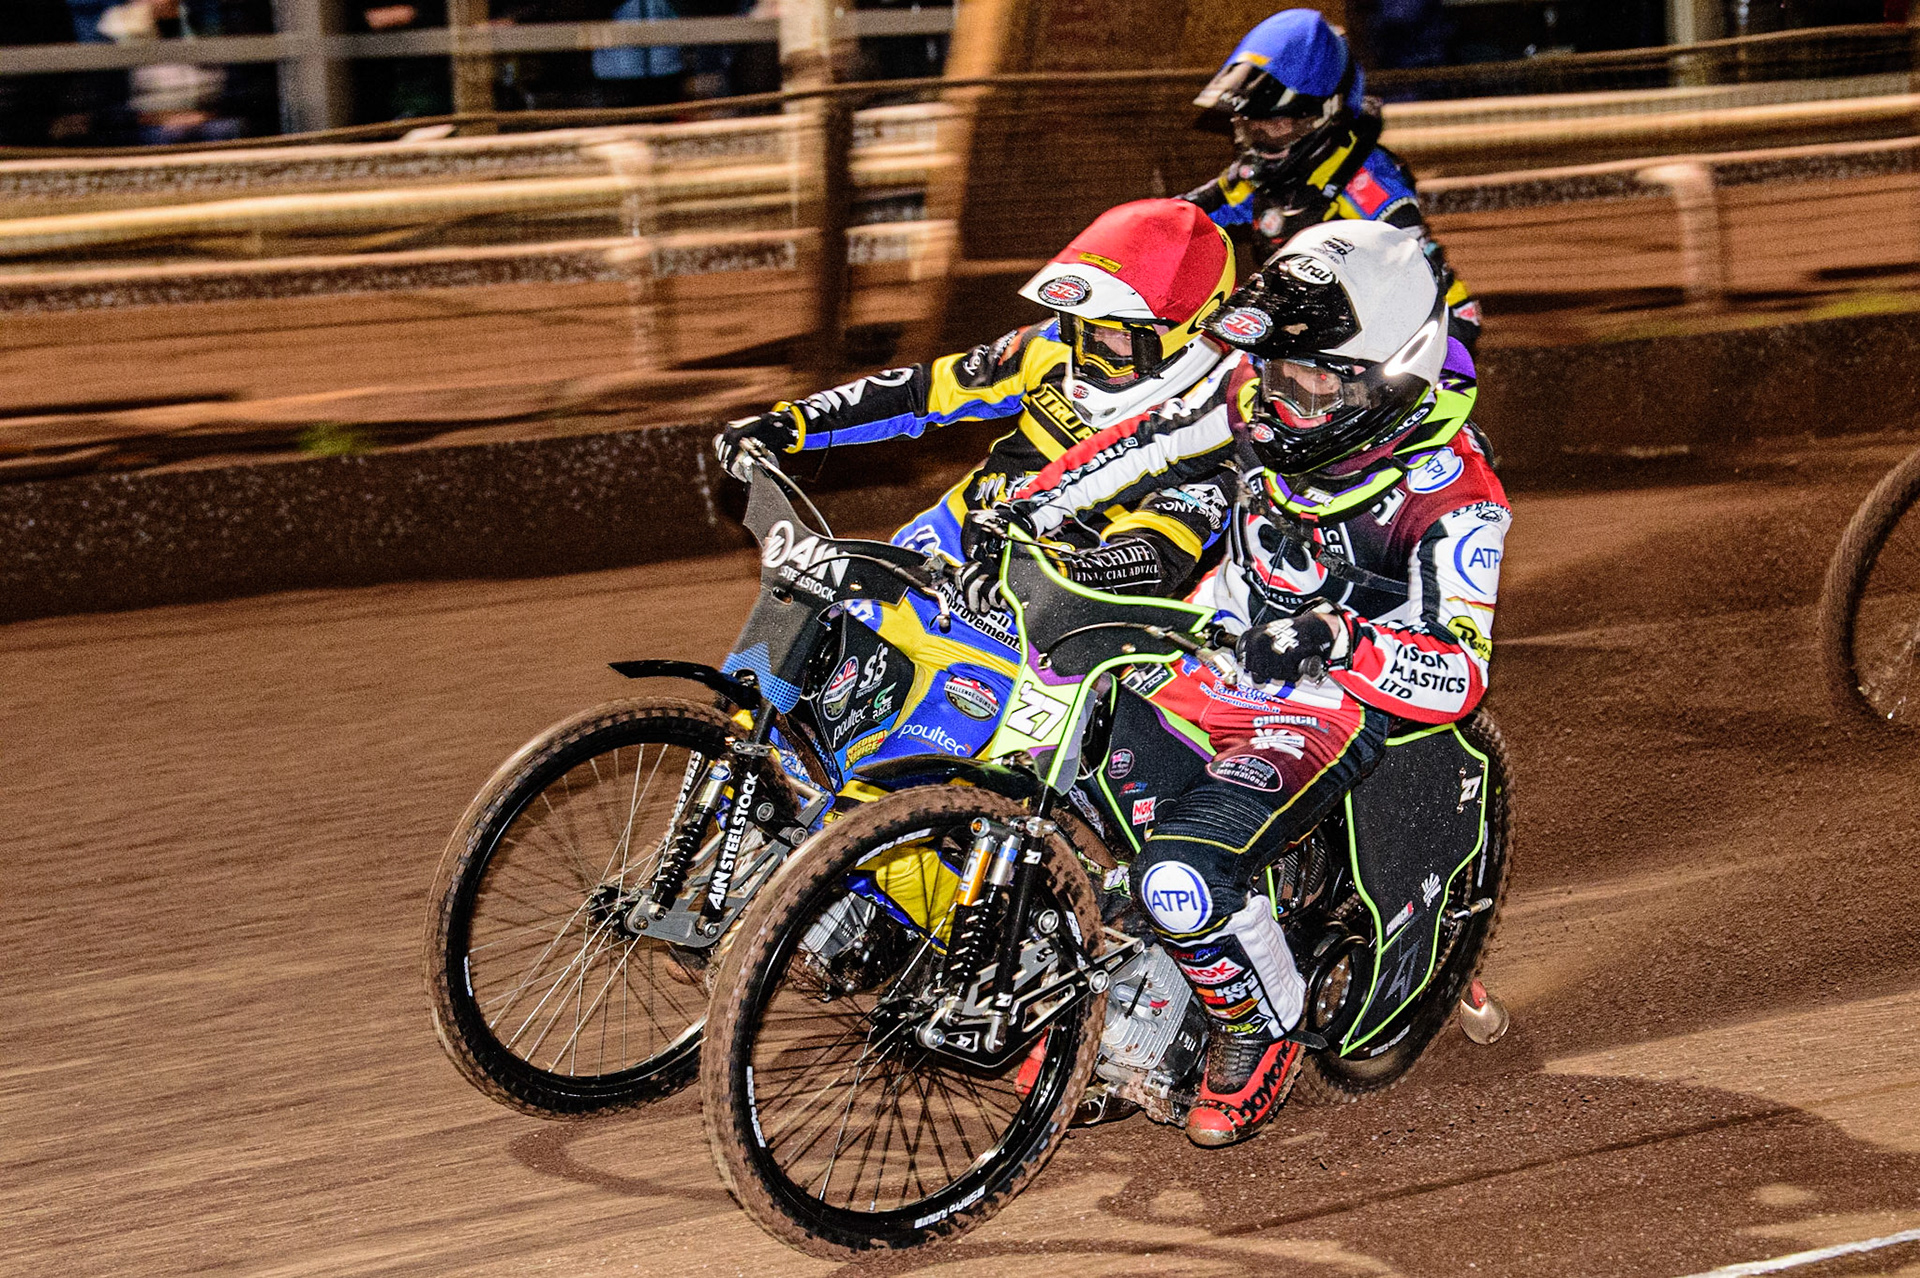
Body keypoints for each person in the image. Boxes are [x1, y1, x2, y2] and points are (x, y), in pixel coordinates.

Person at [994, 219, 1510, 1146]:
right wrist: (1020, 508)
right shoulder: (1252, 397)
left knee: (1180, 875)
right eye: (1274, 367)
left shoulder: (1454, 496)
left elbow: (1462, 674)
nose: (1281, 393)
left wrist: (1337, 640)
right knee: (1036, 748)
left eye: (1313, 374)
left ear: (1387, 372)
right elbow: (1143, 444)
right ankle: (1154, 966)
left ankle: (1255, 1023)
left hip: (1333, 707)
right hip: (1209, 659)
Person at [716, 198, 1247, 603]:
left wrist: (1048, 573)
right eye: (1086, 326)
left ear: (1192, 328)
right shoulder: (1048, 345)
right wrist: (790, 423)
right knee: (805, 632)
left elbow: (1157, 555)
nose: (1091, 345)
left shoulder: (1217, 419)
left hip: (1056, 606)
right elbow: (922, 392)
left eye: (1121, 332)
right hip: (945, 543)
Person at [1184, 9, 1482, 351]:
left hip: (1355, 354)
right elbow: (1184, 215)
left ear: (1325, 114)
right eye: (1251, 127)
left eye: (1277, 125)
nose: (1262, 139)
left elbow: (1456, 312)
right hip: (1288, 335)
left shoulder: (1368, 186)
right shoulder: (1260, 172)